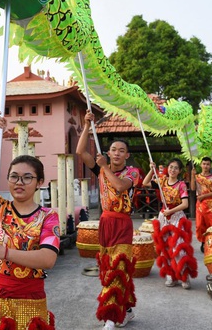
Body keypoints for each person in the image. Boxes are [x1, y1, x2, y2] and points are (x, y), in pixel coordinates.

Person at [0, 112, 60, 330]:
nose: (19, 182)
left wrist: (5, 253)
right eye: (14, 176)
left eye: (27, 177)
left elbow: (48, 259)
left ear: (39, 182)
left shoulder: (48, 216)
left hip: (29, 300)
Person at [76, 110, 139, 330]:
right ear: (109, 153)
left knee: (118, 266)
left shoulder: (133, 172)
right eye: (114, 150)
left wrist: (103, 166)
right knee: (108, 268)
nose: (117, 153)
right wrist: (86, 125)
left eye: (122, 150)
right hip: (105, 223)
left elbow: (121, 187)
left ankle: (111, 317)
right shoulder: (102, 168)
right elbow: (80, 151)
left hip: (122, 224)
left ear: (127, 155)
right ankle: (128, 310)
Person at [143, 159, 197, 289]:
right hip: (164, 217)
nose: (173, 170)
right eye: (171, 167)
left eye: (176, 168)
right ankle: (170, 276)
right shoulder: (161, 181)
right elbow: (144, 183)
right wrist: (152, 169)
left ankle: (184, 276)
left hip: (177, 216)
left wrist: (171, 211)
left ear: (179, 171)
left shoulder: (181, 185)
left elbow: (185, 204)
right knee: (165, 247)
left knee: (179, 248)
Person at [193, 157, 212, 253]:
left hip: (211, 204)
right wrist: (192, 176)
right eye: (204, 164)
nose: (206, 166)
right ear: (201, 165)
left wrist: (204, 196)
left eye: (208, 164)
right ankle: (203, 242)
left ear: (210, 165)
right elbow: (192, 188)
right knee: (200, 225)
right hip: (200, 204)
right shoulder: (197, 177)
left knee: (211, 224)